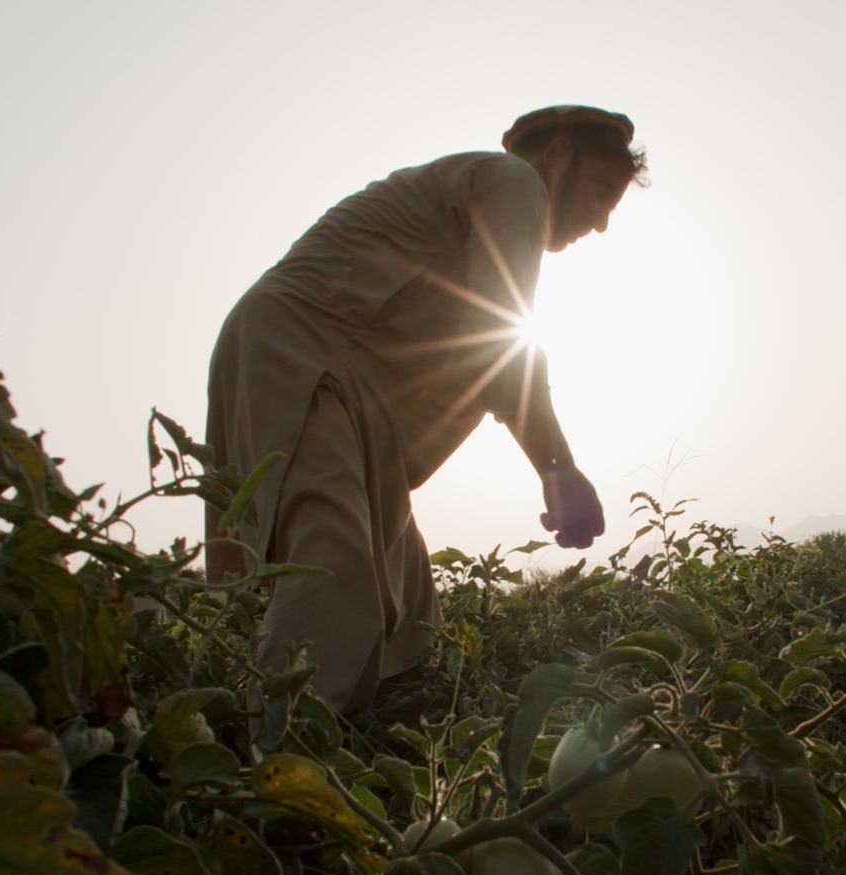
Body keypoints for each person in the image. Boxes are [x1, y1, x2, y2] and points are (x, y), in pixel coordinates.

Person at [204, 105, 646, 713]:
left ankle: (352, 740)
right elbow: (501, 340)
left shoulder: (492, 204)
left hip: (351, 391)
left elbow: (491, 351)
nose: (599, 222)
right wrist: (558, 469)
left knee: (410, 611)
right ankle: (274, 768)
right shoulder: (515, 184)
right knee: (333, 569)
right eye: (601, 193)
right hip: (302, 355)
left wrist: (553, 464)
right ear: (559, 155)